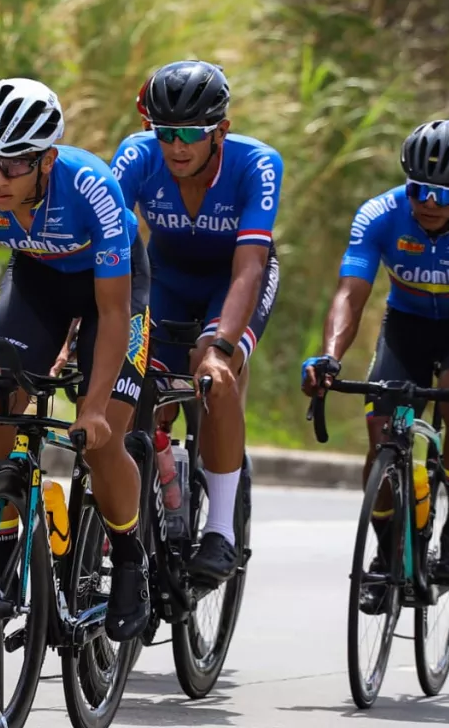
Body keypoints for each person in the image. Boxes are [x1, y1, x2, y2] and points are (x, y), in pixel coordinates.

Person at [0, 78, 153, 642]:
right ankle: (4, 556)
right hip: (36, 281)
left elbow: (113, 313)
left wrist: (91, 408)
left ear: (46, 159)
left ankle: (129, 556)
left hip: (110, 289)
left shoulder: (92, 188)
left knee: (108, 429)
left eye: (13, 167)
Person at [301, 117, 449, 608]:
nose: (429, 203)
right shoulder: (379, 214)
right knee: (382, 428)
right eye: (419, 189)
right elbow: (350, 295)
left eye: (444, 194)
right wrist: (330, 357)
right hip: (407, 324)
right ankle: (384, 555)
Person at [111, 60, 283, 584]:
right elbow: (109, 248)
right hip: (163, 280)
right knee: (128, 381)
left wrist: (218, 345)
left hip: (231, 283)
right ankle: (140, 501)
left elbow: (249, 268)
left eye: (191, 133)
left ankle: (222, 532)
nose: (177, 145)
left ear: (221, 131)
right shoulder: (136, 157)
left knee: (217, 377)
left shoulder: (257, 164)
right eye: (165, 132)